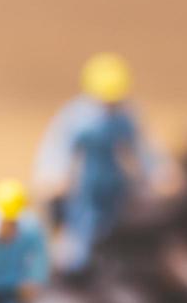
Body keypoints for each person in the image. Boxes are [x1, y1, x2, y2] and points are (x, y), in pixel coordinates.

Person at [33, 53, 162, 273]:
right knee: (82, 229)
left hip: (116, 179)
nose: (111, 103)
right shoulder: (77, 116)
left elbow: (142, 148)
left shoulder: (127, 115)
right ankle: (71, 268)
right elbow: (57, 147)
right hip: (87, 183)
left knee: (124, 225)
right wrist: (54, 175)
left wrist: (158, 171)